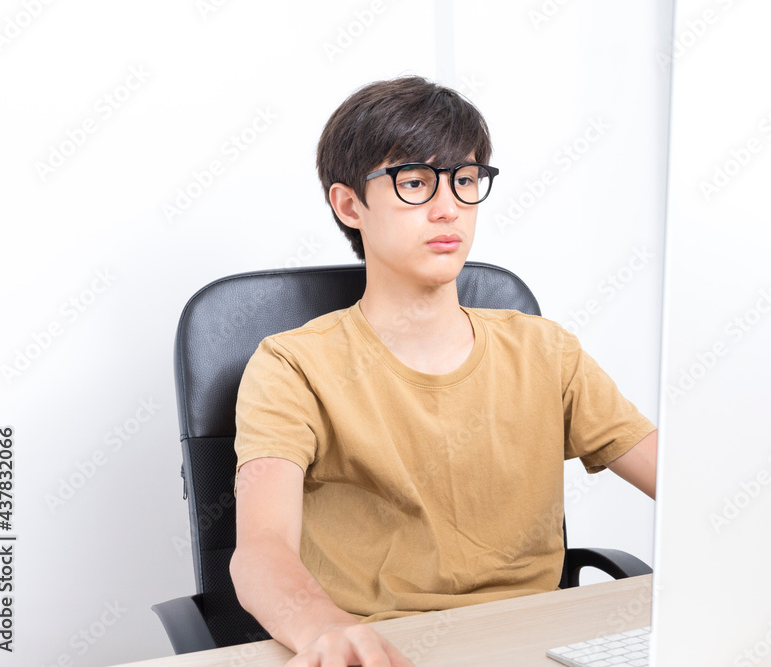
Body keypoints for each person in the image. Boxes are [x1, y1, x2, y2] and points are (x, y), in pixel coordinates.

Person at [230, 75, 658, 667]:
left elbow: (683, 485)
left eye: (464, 179)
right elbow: (260, 549)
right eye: (413, 182)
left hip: (534, 644)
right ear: (350, 204)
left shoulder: (544, 351)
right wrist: (324, 629)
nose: (449, 205)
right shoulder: (293, 366)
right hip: (381, 647)